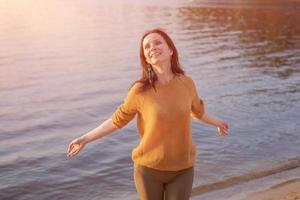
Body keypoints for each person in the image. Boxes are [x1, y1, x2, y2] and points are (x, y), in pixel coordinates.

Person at [66, 28, 229, 200]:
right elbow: (117, 121)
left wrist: (217, 122)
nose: (152, 47)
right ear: (146, 58)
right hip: (148, 170)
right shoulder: (140, 91)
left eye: (158, 42)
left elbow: (197, 111)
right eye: (147, 47)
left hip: (183, 169)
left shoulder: (186, 83)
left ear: (171, 50)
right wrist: (84, 139)